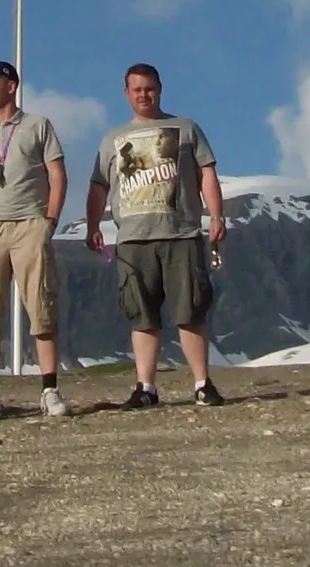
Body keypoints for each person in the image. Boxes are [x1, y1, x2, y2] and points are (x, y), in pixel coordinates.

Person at [83, 63, 228, 408]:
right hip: (133, 238)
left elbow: (206, 172)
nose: (143, 95)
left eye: (149, 88)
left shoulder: (186, 128)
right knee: (141, 314)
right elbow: (98, 185)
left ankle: (202, 383)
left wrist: (217, 214)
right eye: (137, 90)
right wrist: (92, 226)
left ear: (160, 89)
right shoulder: (112, 139)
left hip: (181, 233)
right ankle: (145, 387)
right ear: (126, 93)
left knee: (190, 311)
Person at [0, 60, 72, 423]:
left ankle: (49, 389)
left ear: (11, 85)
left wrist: (48, 222)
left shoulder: (38, 126)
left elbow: (57, 175)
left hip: (29, 224)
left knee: (41, 303)